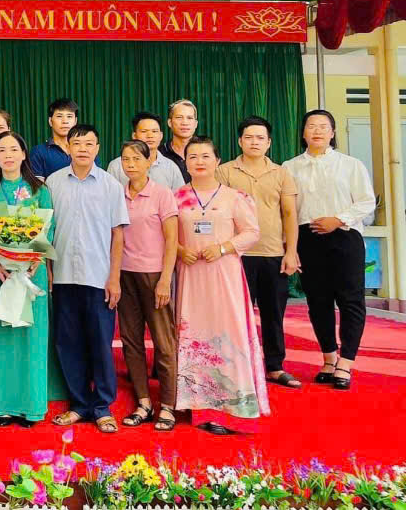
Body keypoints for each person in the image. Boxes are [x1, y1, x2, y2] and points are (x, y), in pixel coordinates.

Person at [174, 136, 270, 435]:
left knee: (228, 335)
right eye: (192, 157)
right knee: (193, 333)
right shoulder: (175, 197)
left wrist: (224, 247)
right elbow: (164, 235)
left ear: (217, 161)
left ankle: (232, 405)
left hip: (224, 275)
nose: (199, 162)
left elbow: (251, 232)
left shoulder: (235, 197)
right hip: (191, 276)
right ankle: (196, 403)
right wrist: (180, 250)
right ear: (185, 162)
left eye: (205, 156)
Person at [0, 130, 65, 427]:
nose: (8, 155)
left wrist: (34, 260)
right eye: (2, 150)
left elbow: (49, 228)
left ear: (24, 154)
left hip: (32, 273)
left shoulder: (39, 189)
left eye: (14, 149)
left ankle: (30, 405)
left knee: (30, 336)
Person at [284, 109, 376, 392]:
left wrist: (338, 219)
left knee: (350, 301)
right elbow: (288, 210)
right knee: (318, 302)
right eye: (311, 126)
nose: (317, 131)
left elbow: (366, 201)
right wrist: (290, 246)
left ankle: (345, 363)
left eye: (324, 126)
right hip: (308, 239)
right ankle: (328, 358)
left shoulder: (351, 165)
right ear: (303, 133)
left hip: (345, 237)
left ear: (333, 133)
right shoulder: (289, 167)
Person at [45, 124, 127, 434]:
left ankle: (103, 407)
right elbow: (45, 231)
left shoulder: (110, 185)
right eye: (77, 143)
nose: (83, 149)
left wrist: (114, 277)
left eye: (89, 144)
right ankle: (79, 404)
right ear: (67, 147)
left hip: (98, 277)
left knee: (100, 343)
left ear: (98, 148)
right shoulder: (53, 183)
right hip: (63, 276)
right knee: (68, 343)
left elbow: (118, 234)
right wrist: (48, 271)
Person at [217, 115, 302, 389]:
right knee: (235, 316)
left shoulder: (281, 173)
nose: (254, 142)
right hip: (236, 255)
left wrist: (291, 252)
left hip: (272, 253)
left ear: (269, 143)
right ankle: (237, 367)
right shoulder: (225, 172)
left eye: (260, 138)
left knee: (273, 314)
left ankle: (275, 367)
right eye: (249, 137)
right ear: (240, 141)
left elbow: (289, 214)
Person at [115, 140, 179, 431]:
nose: (130, 164)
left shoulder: (162, 194)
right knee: (131, 341)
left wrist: (165, 279)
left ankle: (168, 405)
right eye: (125, 159)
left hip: (154, 276)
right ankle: (143, 402)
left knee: (164, 343)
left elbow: (172, 240)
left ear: (149, 161)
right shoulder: (118, 194)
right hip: (125, 275)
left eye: (136, 159)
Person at [106, 111, 185, 190]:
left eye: (154, 131)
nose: (150, 136)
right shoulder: (116, 166)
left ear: (161, 136)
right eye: (144, 131)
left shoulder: (171, 167)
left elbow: (181, 196)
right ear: (134, 136)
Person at [30, 98, 78, 179]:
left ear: (75, 121)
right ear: (50, 121)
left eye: (69, 116)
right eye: (59, 116)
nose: (65, 121)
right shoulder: (38, 152)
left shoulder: (87, 150)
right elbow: (37, 185)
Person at [159, 99, 198, 181]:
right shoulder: (159, 154)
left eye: (189, 118)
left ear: (195, 124)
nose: (184, 122)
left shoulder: (207, 152)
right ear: (170, 122)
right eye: (179, 117)